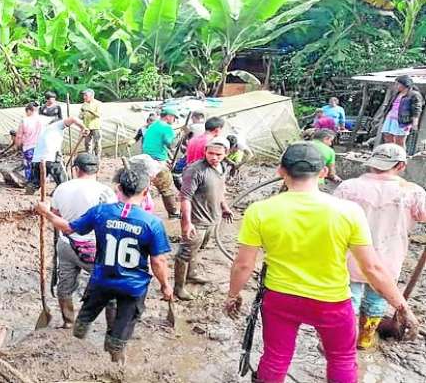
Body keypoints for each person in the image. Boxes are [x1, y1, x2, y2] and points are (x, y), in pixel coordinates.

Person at [224, 142, 419, 383]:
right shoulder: (348, 211)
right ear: (324, 172)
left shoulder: (260, 210)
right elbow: (372, 268)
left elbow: (243, 264)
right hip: (331, 301)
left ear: (280, 171)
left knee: (276, 357)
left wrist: (233, 295)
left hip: (280, 299)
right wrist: (402, 307)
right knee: (342, 359)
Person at [35, 167, 173, 364]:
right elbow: (158, 261)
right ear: (145, 192)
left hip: (102, 278)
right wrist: (165, 285)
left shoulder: (101, 212)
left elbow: (68, 228)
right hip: (132, 286)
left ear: (118, 188)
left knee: (89, 308)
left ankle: (78, 330)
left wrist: (46, 213)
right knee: (123, 326)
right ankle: (115, 356)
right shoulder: (152, 223)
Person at [334, 144, 426, 349]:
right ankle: (365, 340)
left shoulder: (348, 187)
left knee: (349, 298)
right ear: (401, 165)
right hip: (388, 259)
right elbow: (423, 216)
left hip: (350, 256)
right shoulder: (413, 192)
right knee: (377, 299)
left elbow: (331, 220)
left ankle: (342, 342)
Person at [51, 153, 117, 328]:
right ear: (97, 169)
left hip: (66, 243)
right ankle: (113, 328)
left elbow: (56, 216)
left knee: (65, 285)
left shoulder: (61, 188)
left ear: (76, 169)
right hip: (94, 248)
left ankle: (68, 322)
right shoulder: (106, 192)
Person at [175, 138, 232, 300]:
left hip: (211, 218)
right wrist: (187, 223)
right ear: (205, 151)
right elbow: (185, 197)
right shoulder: (195, 170)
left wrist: (224, 207)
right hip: (196, 221)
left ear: (226, 154)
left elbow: (220, 189)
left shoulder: (221, 167)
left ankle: (191, 274)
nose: (214, 157)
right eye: (210, 153)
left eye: (218, 154)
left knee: (196, 249)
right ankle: (178, 288)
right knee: (185, 253)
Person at [26, 117, 89, 194]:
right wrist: (83, 128)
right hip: (51, 158)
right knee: (64, 183)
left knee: (36, 182)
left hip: (36, 160)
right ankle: (58, 194)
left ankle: (30, 191)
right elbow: (72, 119)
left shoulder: (44, 130)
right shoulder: (57, 125)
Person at [141, 107, 180, 218]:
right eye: (174, 118)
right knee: (166, 188)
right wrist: (180, 137)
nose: (174, 120)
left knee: (143, 186)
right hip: (157, 162)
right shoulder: (167, 128)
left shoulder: (153, 125)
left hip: (146, 159)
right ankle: (173, 213)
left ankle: (141, 209)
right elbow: (171, 145)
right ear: (168, 116)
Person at [382, 75, 423, 148]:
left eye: (398, 84)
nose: (396, 86)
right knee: (387, 136)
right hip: (390, 118)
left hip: (403, 119)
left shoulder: (414, 95)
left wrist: (414, 123)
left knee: (399, 140)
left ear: (405, 85)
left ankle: (401, 157)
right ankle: (392, 154)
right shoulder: (397, 93)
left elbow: (417, 109)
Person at [15, 103, 45, 181]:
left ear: (29, 111)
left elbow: (19, 136)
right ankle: (41, 181)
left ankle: (30, 182)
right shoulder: (42, 120)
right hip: (41, 146)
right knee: (40, 165)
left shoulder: (25, 120)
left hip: (28, 147)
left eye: (26, 112)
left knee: (29, 165)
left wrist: (17, 145)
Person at [80, 89, 102, 156]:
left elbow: (98, 115)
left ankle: (97, 158)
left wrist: (89, 111)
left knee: (97, 143)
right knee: (87, 143)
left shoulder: (98, 104)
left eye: (86, 95)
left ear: (92, 96)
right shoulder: (84, 104)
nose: (84, 97)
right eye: (84, 95)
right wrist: (82, 115)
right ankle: (89, 157)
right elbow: (81, 115)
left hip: (96, 127)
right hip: (86, 127)